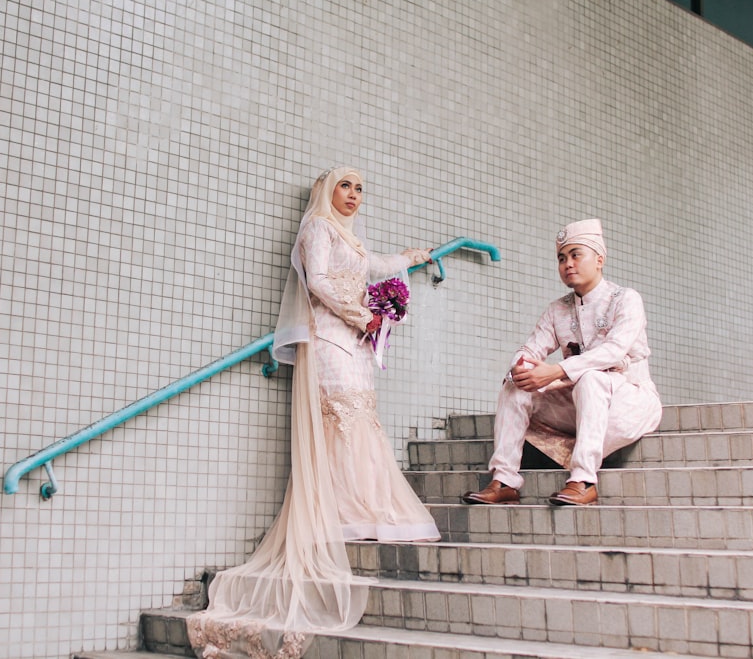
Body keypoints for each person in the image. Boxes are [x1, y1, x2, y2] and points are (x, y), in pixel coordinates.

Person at [186, 166, 439, 659]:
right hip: (327, 337)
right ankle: (339, 508)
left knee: (361, 416)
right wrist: (359, 314)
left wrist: (409, 259)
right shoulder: (317, 229)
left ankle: (364, 504)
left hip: (358, 342)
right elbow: (320, 280)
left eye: (360, 188)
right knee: (341, 415)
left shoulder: (351, 238)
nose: (354, 195)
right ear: (326, 191)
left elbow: (371, 266)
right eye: (345, 186)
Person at [462, 218, 661, 507]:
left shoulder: (626, 299)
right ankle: (504, 481)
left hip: (630, 401)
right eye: (561, 258)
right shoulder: (559, 309)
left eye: (576, 255)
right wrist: (520, 369)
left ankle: (583, 481)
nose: (568, 264)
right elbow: (529, 350)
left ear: (600, 259)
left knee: (591, 378)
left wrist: (556, 371)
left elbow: (615, 351)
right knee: (517, 385)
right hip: (583, 402)